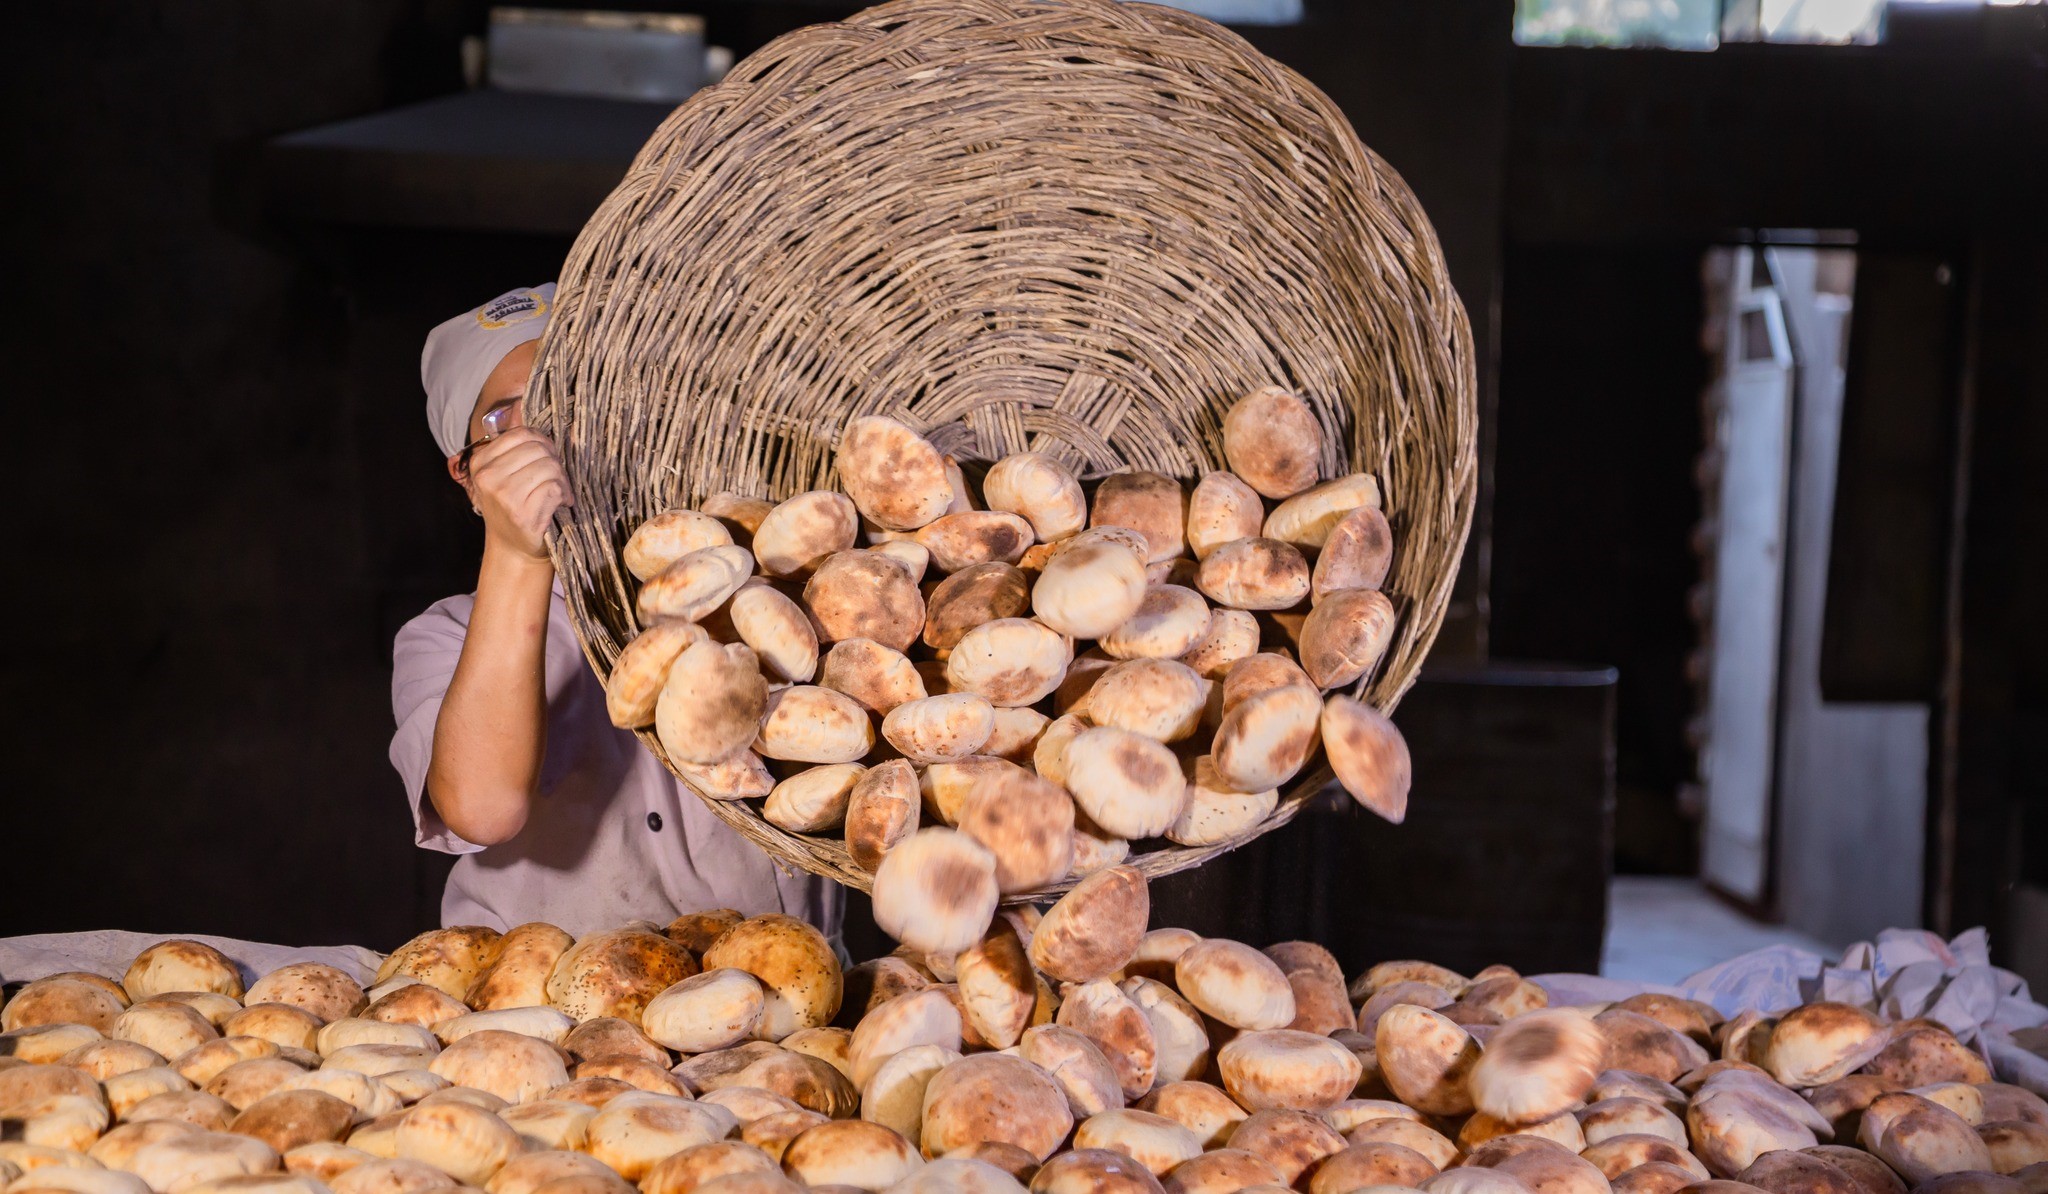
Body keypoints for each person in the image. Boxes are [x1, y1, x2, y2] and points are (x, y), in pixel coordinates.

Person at [389, 283, 840, 939]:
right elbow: (480, 811)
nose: (545, 433)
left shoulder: (760, 584)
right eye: (505, 420)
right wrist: (520, 554)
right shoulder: (445, 635)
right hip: (549, 1016)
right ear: (468, 478)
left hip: (792, 1004)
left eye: (569, 398)